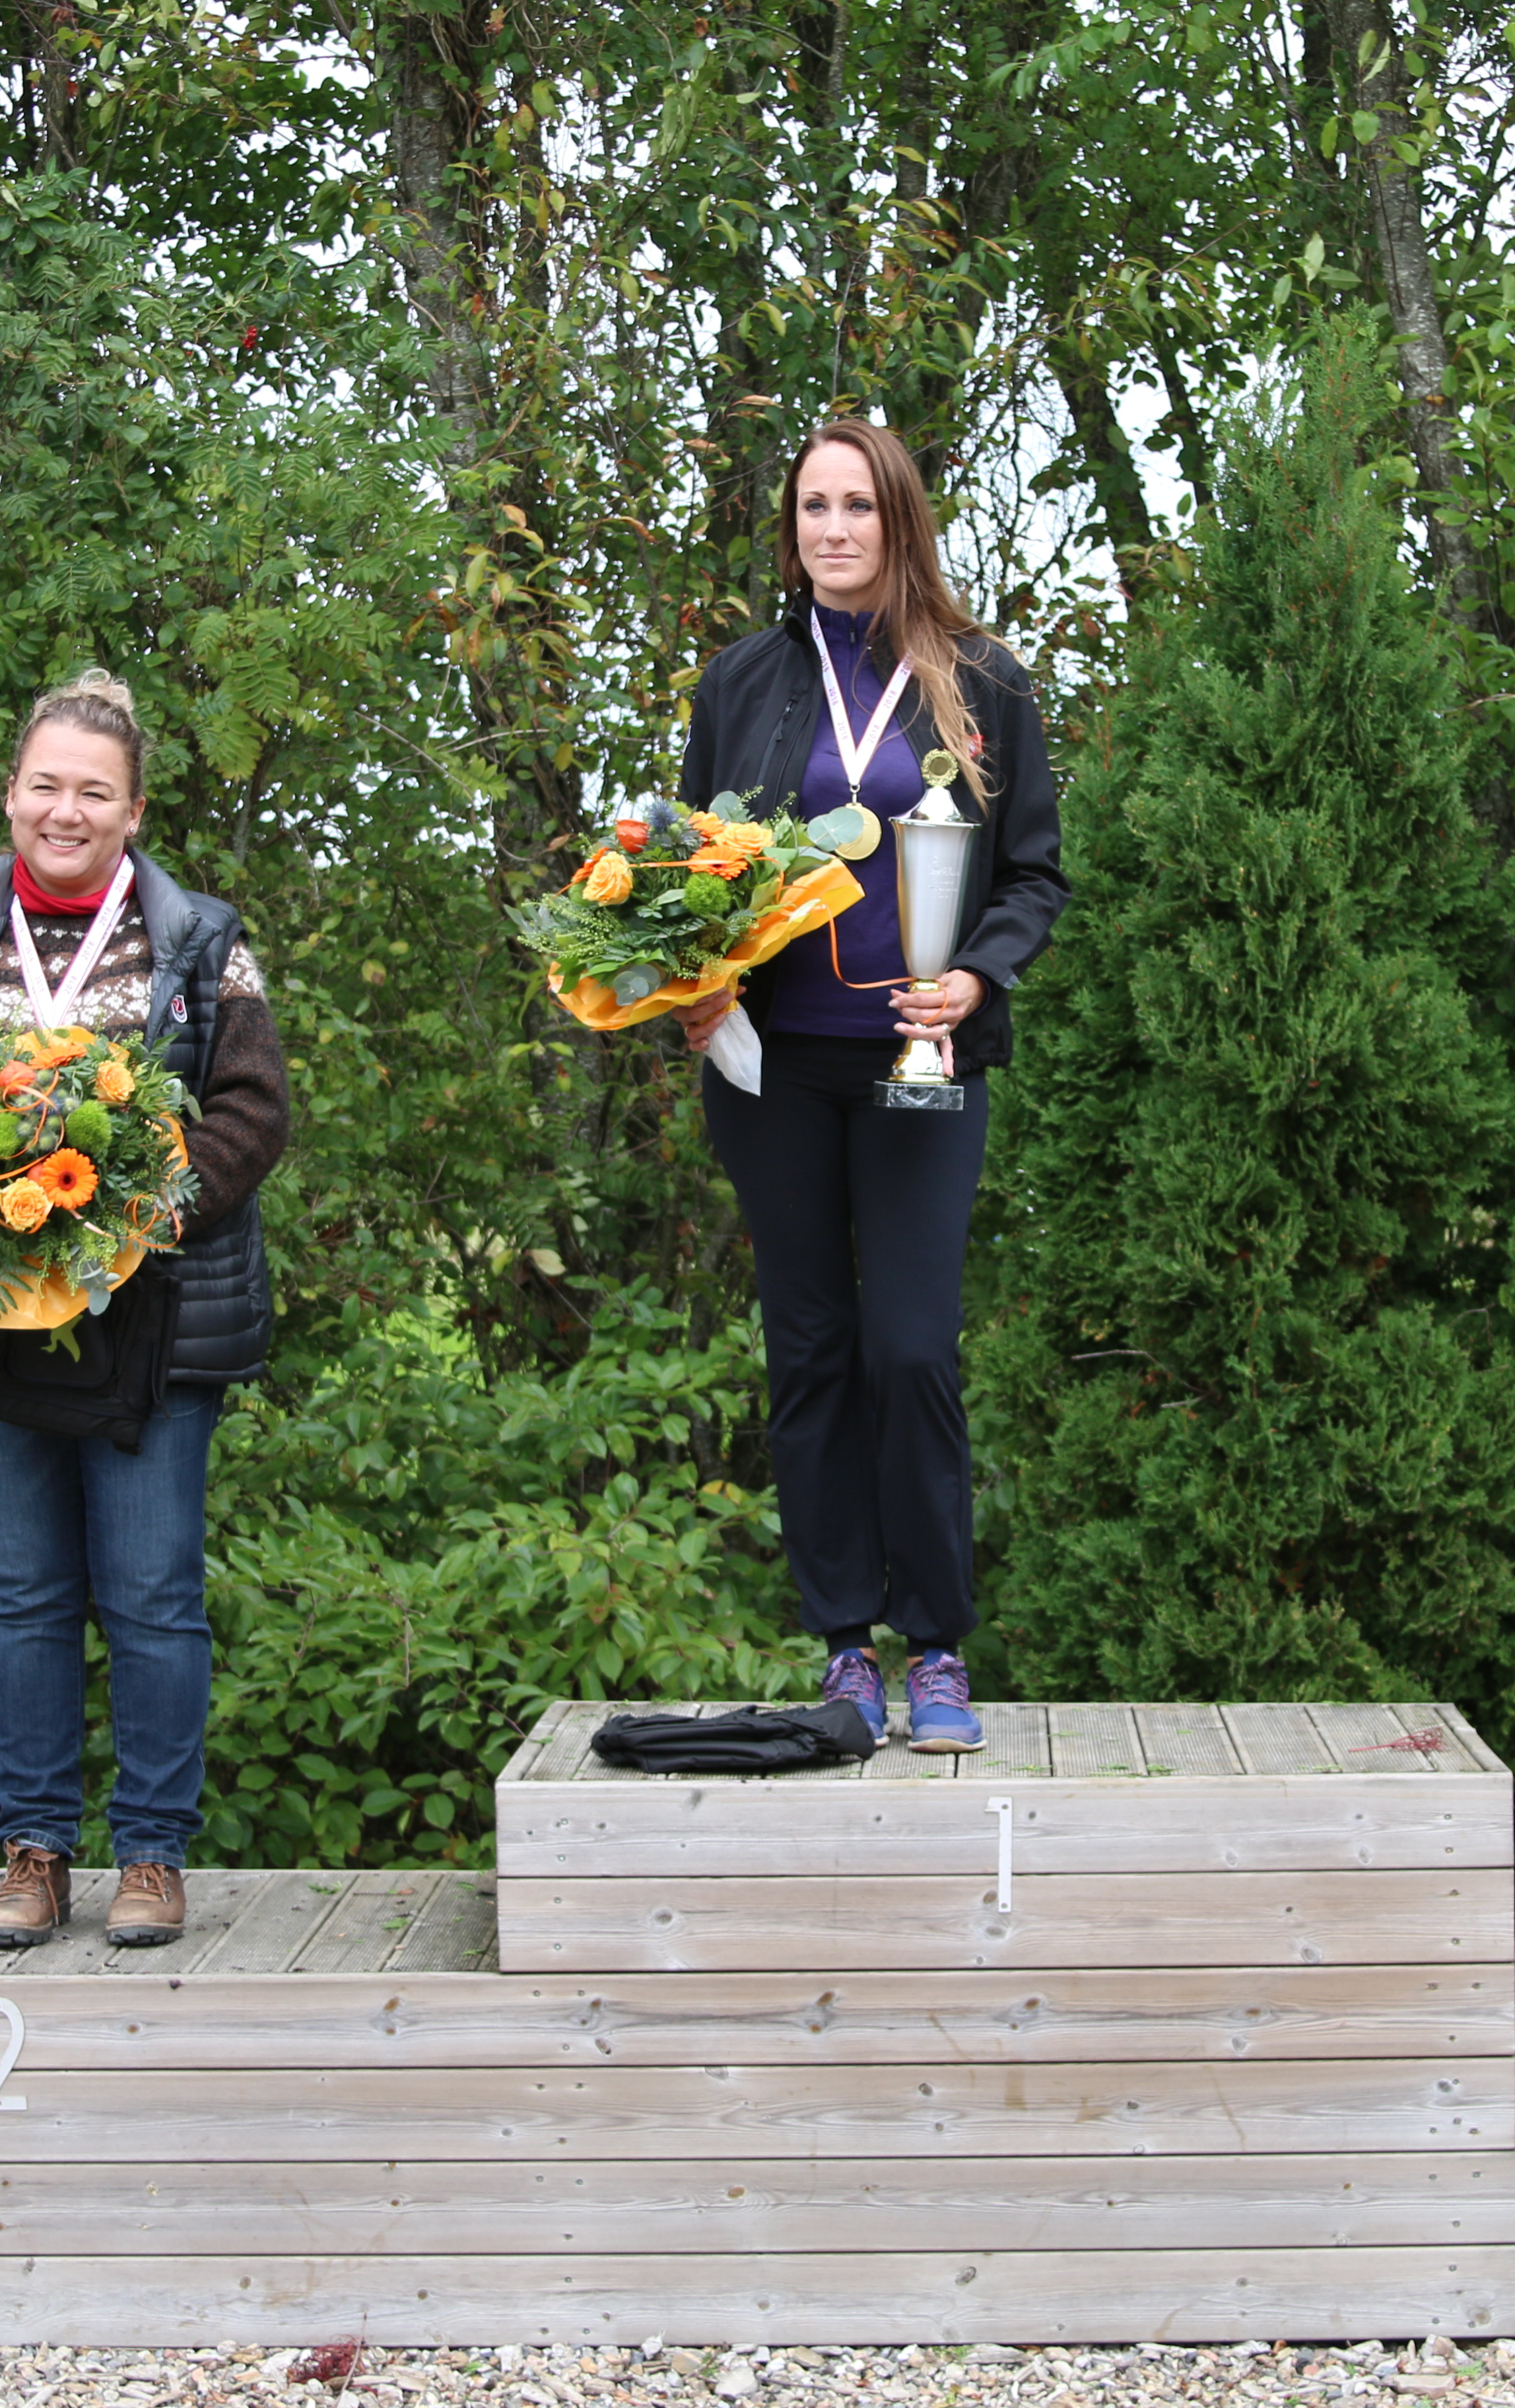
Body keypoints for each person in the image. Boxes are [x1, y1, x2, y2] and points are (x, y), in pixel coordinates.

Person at [0, 670, 288, 1948]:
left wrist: (138, 1218)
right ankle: (34, 1852)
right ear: (10, 795)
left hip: (155, 1323)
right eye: (45, 785)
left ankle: (150, 1856)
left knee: (151, 1593)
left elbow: (255, 1114)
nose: (65, 809)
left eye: (93, 791)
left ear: (134, 810)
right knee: (25, 1596)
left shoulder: (202, 940)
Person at [665, 418, 1066, 1751]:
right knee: (812, 1350)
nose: (832, 531)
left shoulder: (984, 683)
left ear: (901, 521)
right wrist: (692, 980)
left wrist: (979, 980)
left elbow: (1034, 874)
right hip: (774, 1073)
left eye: (856, 508)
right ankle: (845, 1644)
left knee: (909, 1348)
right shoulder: (739, 683)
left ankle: (937, 1645)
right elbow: (690, 878)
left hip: (923, 1068)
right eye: (811, 509)